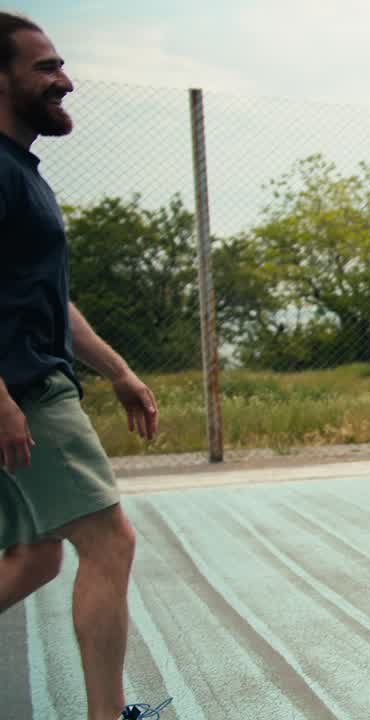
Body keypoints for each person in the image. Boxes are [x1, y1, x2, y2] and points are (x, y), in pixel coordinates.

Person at [0, 12, 165, 720]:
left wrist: (119, 371)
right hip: (24, 391)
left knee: (36, 557)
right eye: (45, 67)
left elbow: (52, 303)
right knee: (109, 542)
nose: (64, 81)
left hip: (30, 383)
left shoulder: (21, 174)